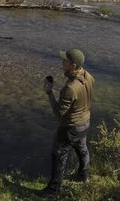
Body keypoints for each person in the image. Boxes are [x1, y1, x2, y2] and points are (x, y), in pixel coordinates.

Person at [41, 48, 95, 195]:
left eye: (65, 60)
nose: (62, 62)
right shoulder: (89, 76)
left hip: (70, 127)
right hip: (85, 122)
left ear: (74, 65)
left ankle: (53, 190)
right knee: (82, 149)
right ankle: (83, 176)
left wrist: (49, 92)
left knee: (58, 154)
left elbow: (59, 113)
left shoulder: (70, 88)